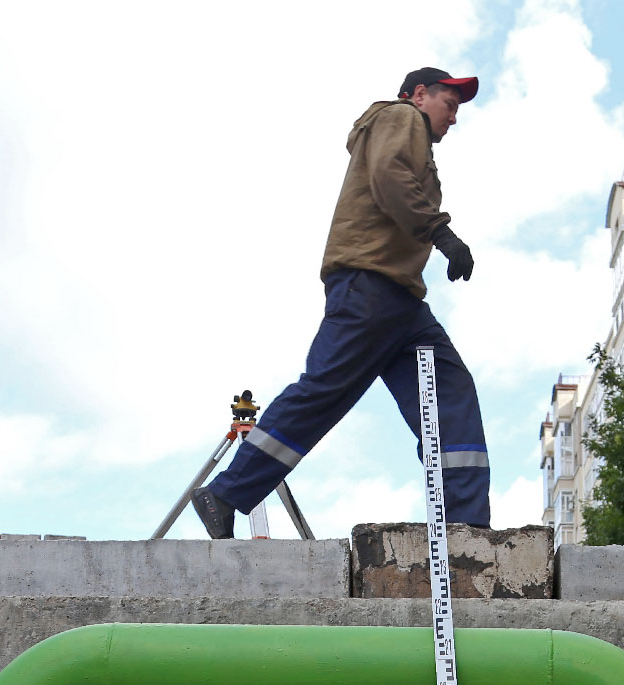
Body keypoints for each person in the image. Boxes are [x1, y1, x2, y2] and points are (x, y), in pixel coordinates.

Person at [191, 67, 489, 538]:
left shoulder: (411, 135)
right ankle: (226, 493)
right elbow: (390, 175)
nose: (454, 117)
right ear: (418, 95)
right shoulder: (400, 117)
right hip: (370, 286)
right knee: (325, 391)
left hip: (402, 302)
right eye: (449, 105)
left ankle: (467, 526)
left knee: (449, 393)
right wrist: (442, 233)